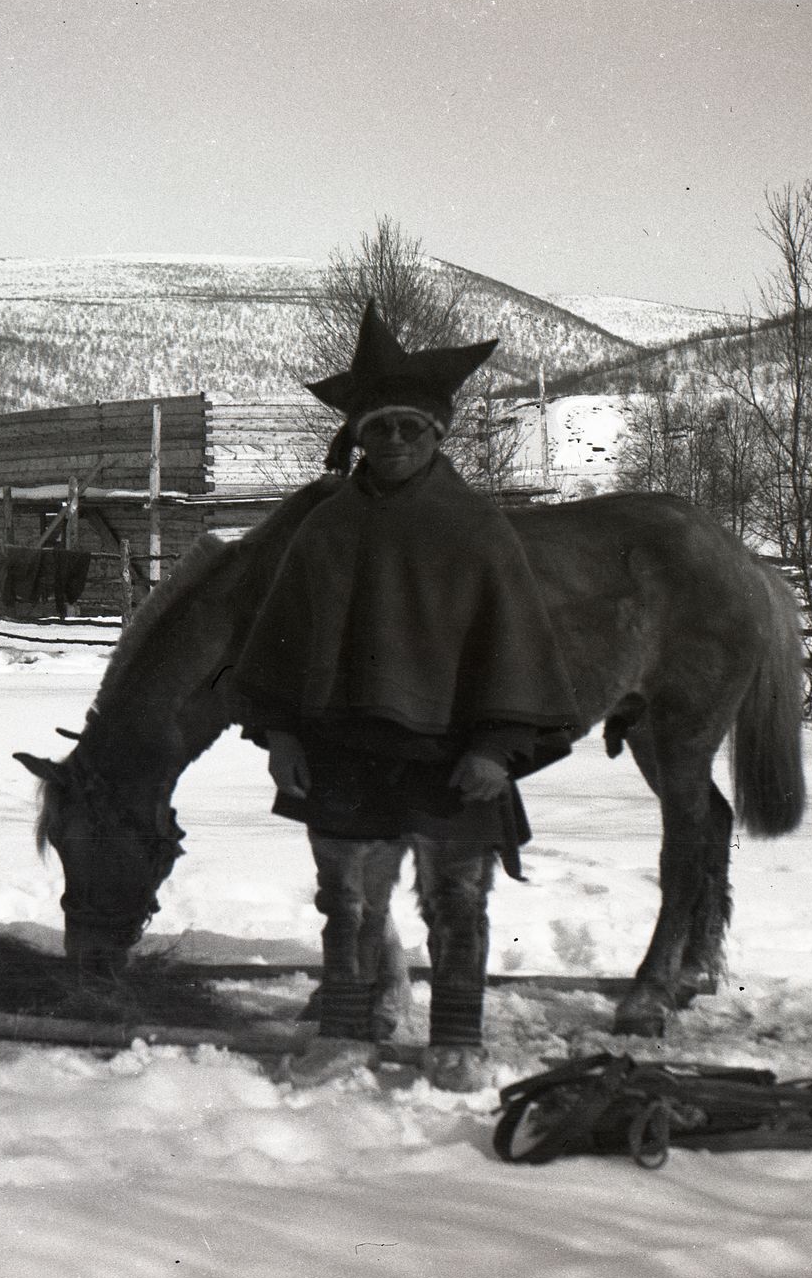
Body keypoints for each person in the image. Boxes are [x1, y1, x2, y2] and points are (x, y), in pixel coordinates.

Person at [234, 304, 581, 1092]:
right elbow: (278, 645)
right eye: (380, 427)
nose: (394, 441)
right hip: (342, 749)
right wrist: (280, 736)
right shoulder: (323, 531)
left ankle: (457, 1038)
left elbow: (515, 644)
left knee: (457, 897)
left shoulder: (478, 529)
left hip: (451, 756)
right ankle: (346, 1030)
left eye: (410, 428)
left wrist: (498, 747)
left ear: (437, 434)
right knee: (346, 899)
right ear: (358, 435)